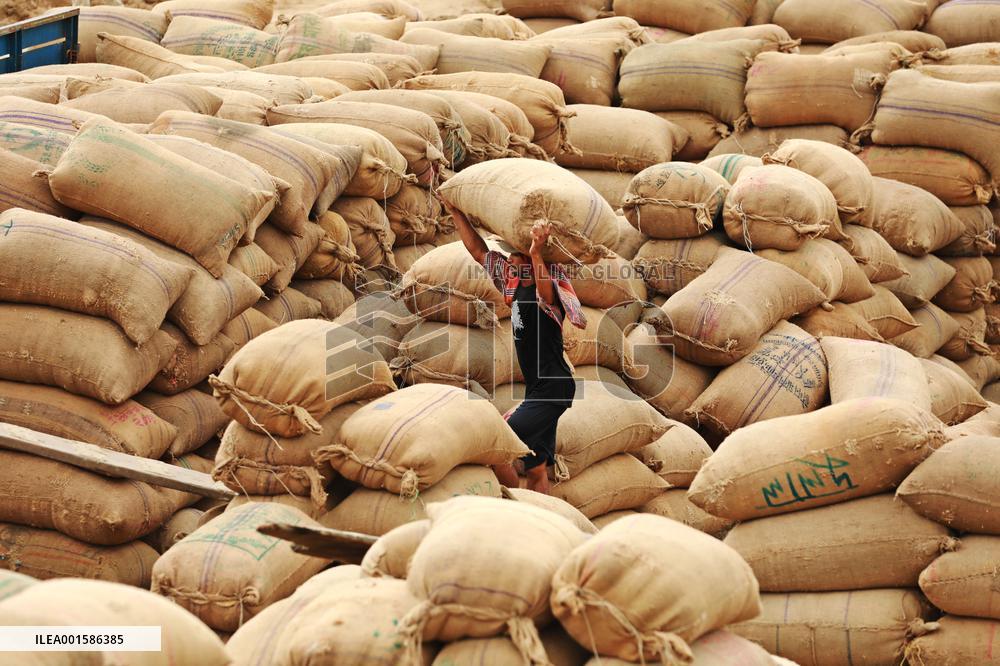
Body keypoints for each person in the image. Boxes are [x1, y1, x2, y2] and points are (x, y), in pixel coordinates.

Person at [440, 197, 587, 494]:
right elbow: (479, 251)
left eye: (517, 257)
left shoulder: (549, 298)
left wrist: (535, 252)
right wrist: (456, 212)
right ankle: (541, 512)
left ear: (533, 267)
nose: (509, 259)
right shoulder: (512, 285)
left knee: (499, 444)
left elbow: (543, 286)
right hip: (538, 389)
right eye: (511, 256)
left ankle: (511, 506)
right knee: (535, 468)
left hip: (554, 387)